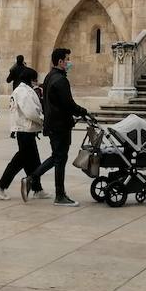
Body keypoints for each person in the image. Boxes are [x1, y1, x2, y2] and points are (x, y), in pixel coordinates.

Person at [30, 47, 88, 207]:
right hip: (60, 125)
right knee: (60, 158)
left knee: (57, 156)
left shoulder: (50, 77)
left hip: (53, 123)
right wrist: (82, 111)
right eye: (68, 59)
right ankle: (60, 195)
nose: (69, 62)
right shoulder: (61, 80)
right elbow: (68, 103)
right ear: (61, 61)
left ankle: (34, 177)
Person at [0, 67, 46, 200]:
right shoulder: (23, 91)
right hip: (25, 130)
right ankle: (0, 186)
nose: (35, 82)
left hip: (27, 130)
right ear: (30, 79)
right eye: (34, 79)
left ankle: (37, 189)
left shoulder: (22, 90)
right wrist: (42, 120)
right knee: (19, 161)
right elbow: (30, 111)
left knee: (33, 161)